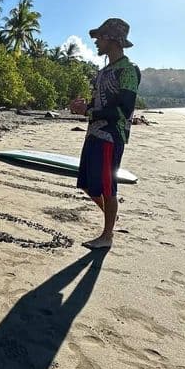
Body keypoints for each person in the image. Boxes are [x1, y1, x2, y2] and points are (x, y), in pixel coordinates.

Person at [70, 18, 141, 249]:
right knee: (88, 184)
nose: (96, 42)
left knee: (108, 187)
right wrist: (84, 107)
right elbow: (98, 102)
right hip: (93, 133)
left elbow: (124, 109)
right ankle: (111, 217)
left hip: (111, 136)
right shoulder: (104, 71)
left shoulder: (128, 70)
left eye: (100, 37)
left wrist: (90, 109)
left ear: (111, 38)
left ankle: (107, 235)